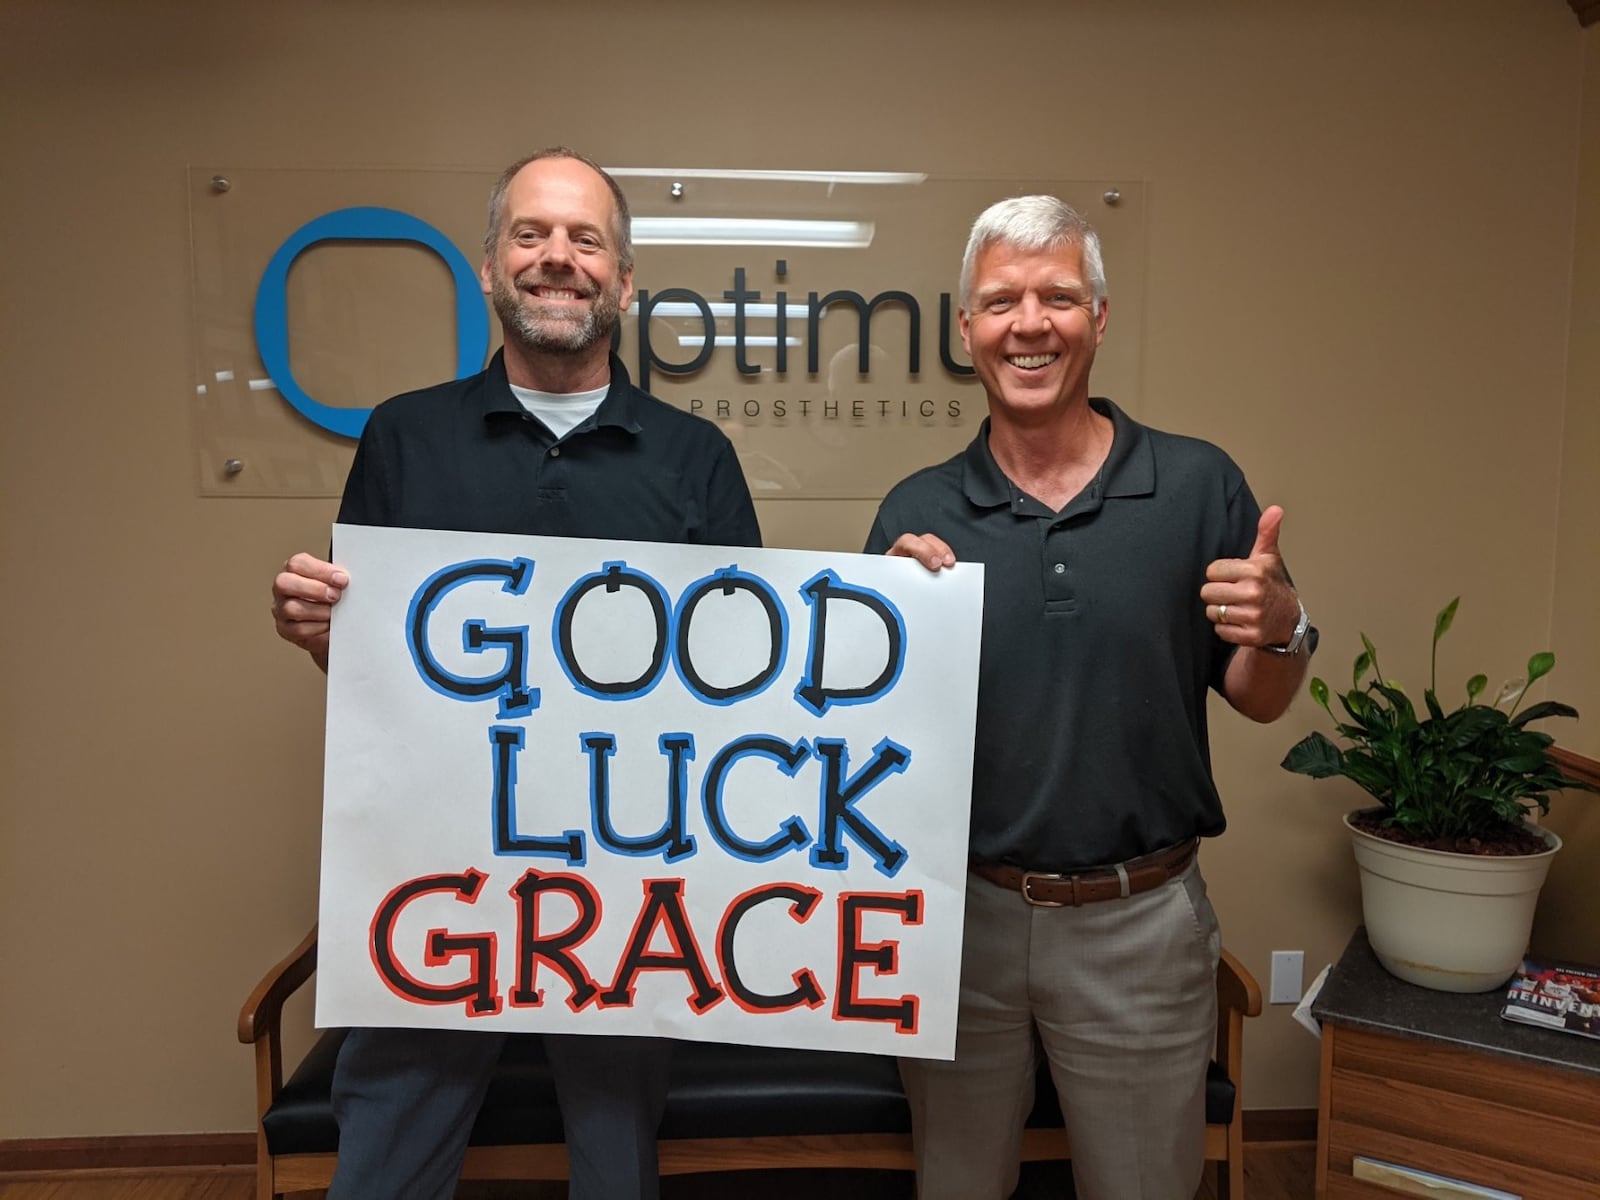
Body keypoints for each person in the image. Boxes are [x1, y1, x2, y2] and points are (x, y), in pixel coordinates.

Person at [270, 146, 760, 1200]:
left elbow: (744, 687)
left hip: (626, 882)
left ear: (623, 282)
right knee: (388, 1154)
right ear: (488, 267)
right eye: (530, 234)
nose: (557, 258)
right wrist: (326, 635)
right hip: (432, 871)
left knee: (617, 1159)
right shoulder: (405, 437)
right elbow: (377, 674)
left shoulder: (694, 460)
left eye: (587, 240)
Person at [865, 195, 1313, 1200]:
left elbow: (1258, 697)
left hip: (1138, 924)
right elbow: (868, 735)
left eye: (1057, 297)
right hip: (958, 922)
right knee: (954, 1184)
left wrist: (1281, 625)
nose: (1029, 323)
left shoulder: (1198, 486)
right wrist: (876, 629)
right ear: (966, 329)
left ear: (1099, 319)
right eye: (1000, 302)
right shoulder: (917, 512)